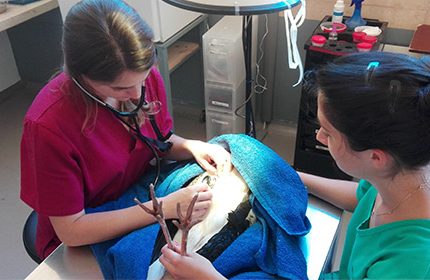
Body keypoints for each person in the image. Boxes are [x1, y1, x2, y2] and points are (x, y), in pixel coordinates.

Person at [159, 51, 430, 279]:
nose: (318, 137)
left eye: (328, 133)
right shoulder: (403, 175)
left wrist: (209, 277)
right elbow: (363, 197)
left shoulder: (411, 266)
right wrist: (289, 176)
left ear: (376, 157)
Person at [20, 0, 232, 260]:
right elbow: (71, 231)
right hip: (88, 231)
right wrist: (164, 207)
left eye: (142, 80)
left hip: (139, 193)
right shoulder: (48, 127)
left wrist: (191, 146)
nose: (136, 94)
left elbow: (158, 141)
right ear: (80, 77)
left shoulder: (142, 77)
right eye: (119, 89)